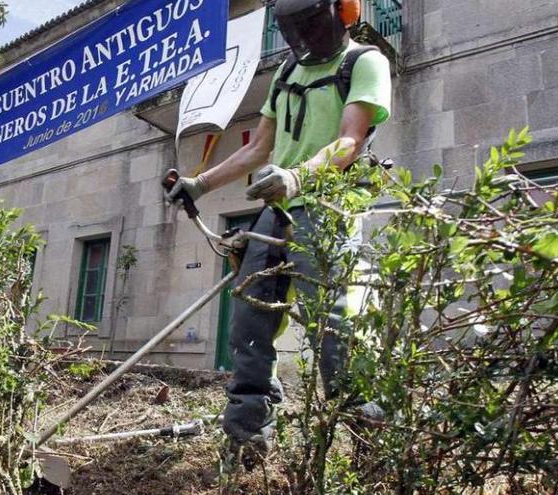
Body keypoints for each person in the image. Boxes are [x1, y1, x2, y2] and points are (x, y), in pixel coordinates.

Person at [164, 0, 392, 458]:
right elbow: (260, 148)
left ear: (341, 12)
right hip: (278, 211)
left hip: (326, 204)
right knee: (249, 324)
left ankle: (370, 445)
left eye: (308, 24)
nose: (301, 37)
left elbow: (349, 139)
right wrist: (200, 183)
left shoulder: (364, 62)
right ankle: (247, 439)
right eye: (291, 28)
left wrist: (298, 176)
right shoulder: (288, 73)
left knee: (334, 328)